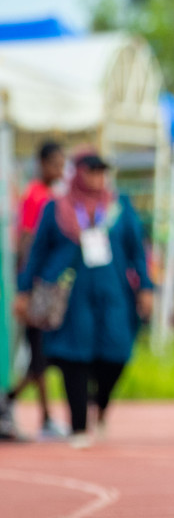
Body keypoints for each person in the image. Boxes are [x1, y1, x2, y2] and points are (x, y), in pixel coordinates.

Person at [16, 150, 154, 448]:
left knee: (116, 351)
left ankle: (100, 406)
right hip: (70, 293)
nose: (96, 177)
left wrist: (146, 286)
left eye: (101, 171)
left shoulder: (119, 206)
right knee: (72, 356)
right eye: (90, 170)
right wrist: (24, 290)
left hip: (112, 290)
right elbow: (37, 253)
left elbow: (137, 250)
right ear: (77, 172)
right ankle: (78, 425)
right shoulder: (56, 208)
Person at [7, 141, 67, 439]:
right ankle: (14, 404)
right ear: (42, 163)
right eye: (55, 163)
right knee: (39, 351)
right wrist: (25, 286)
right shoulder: (36, 197)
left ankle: (35, 412)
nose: (60, 169)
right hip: (35, 286)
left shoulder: (53, 196)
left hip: (47, 285)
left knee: (40, 353)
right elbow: (28, 241)